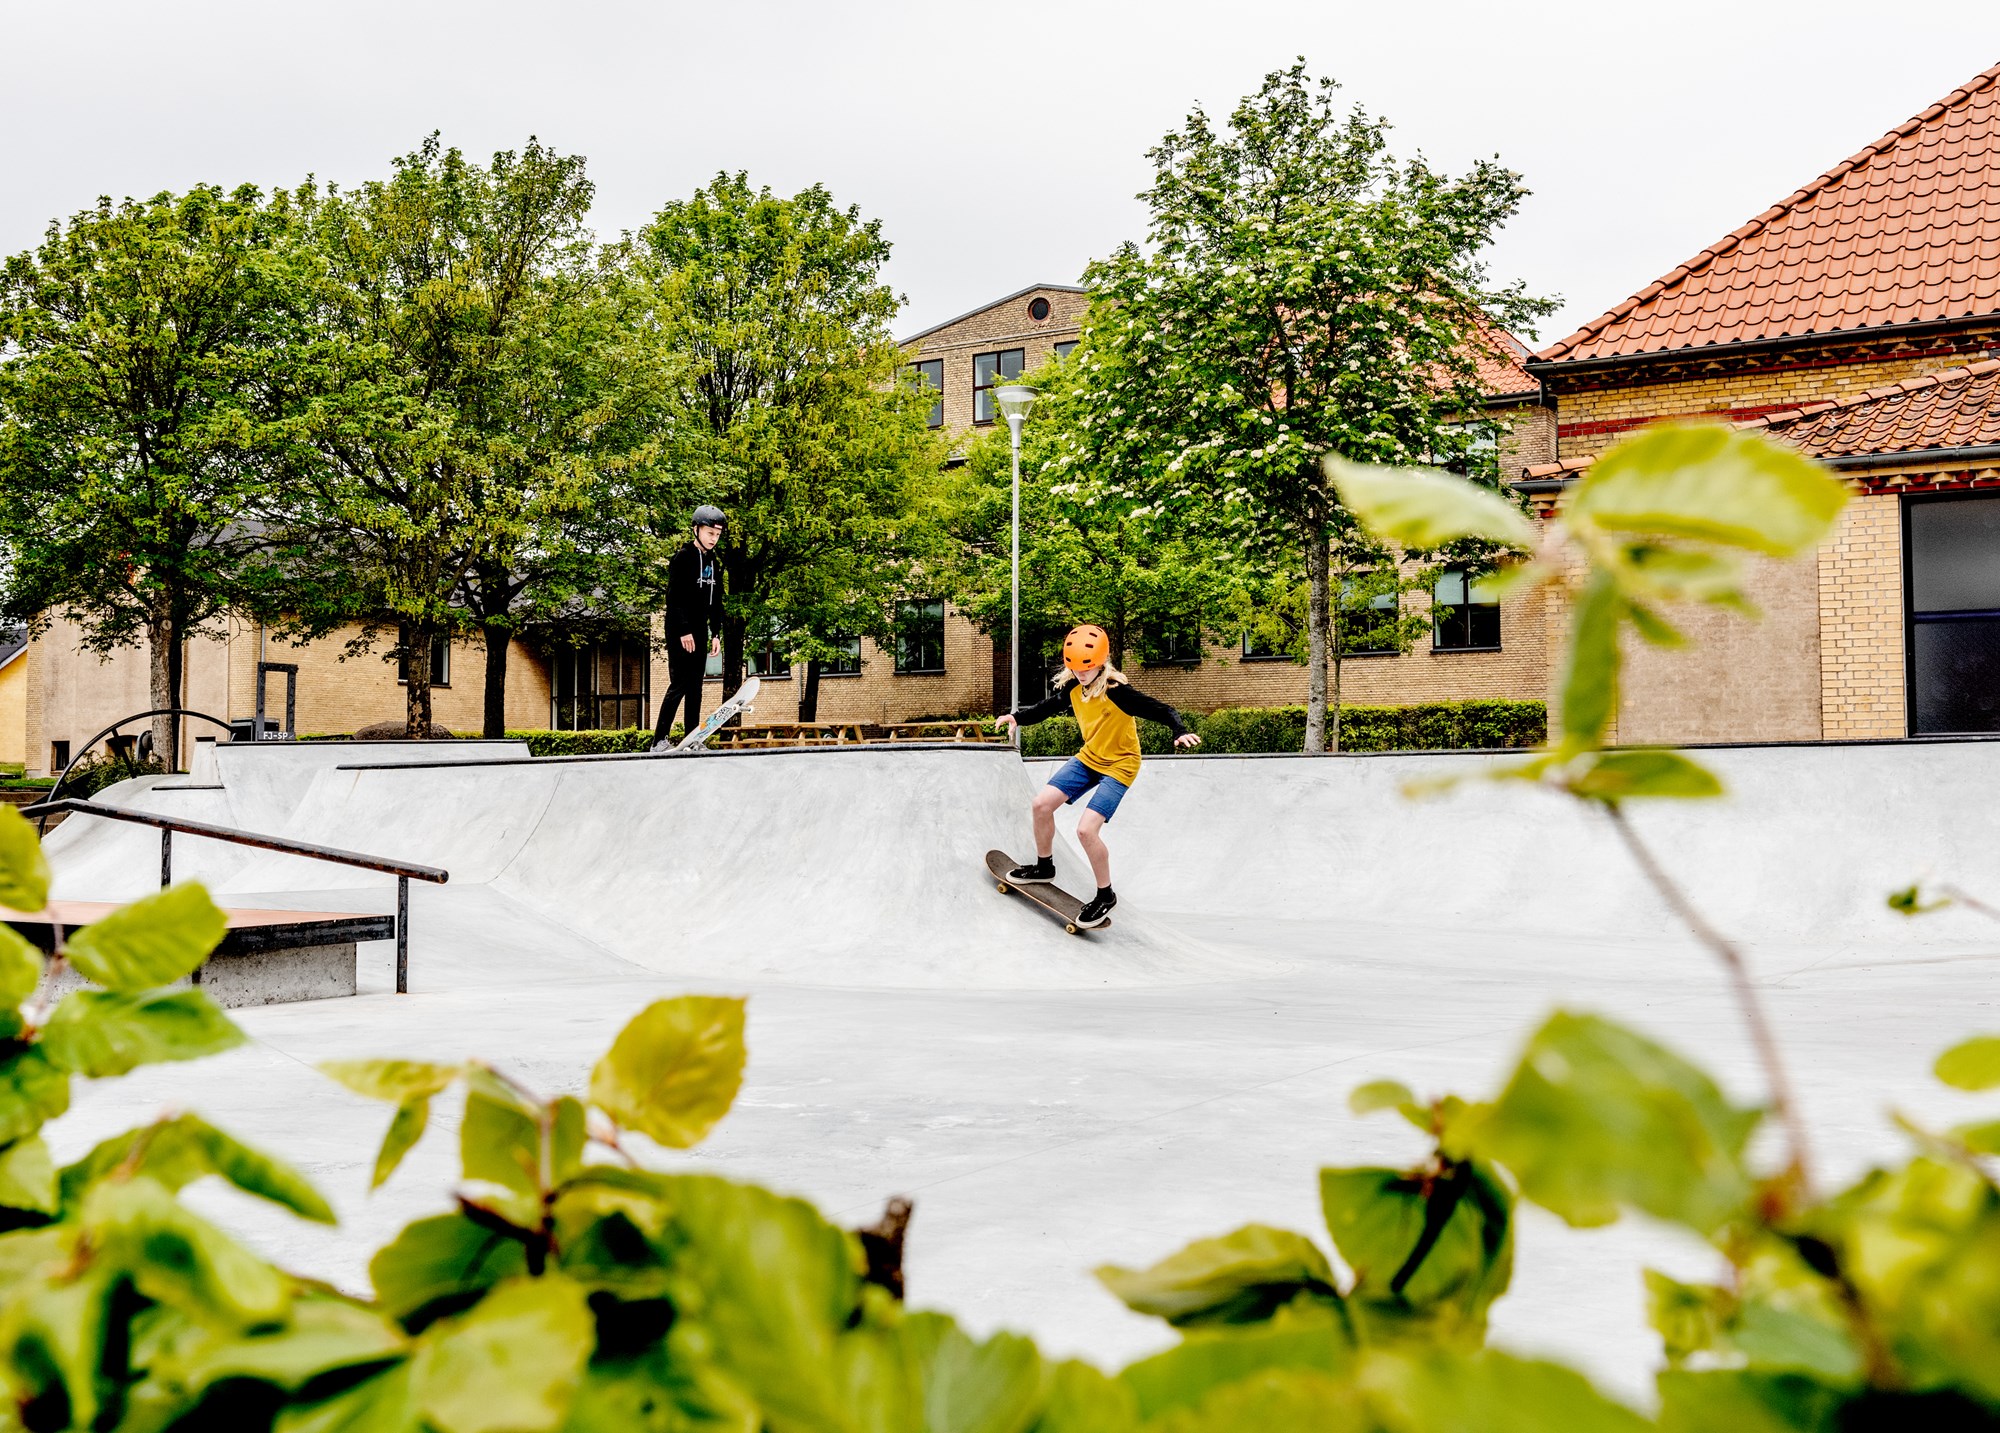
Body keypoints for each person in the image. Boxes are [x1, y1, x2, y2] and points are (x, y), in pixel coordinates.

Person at [995, 623, 1201, 927]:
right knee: (1041, 805)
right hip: (1090, 757)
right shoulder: (1073, 689)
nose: (1081, 674)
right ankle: (1044, 867)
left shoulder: (1118, 693)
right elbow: (1046, 708)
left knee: (1086, 831)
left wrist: (1180, 730)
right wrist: (1016, 716)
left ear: (1101, 663)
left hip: (1121, 764)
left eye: (1086, 668)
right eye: (1075, 668)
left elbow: (1162, 709)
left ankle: (1105, 895)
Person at [651, 505, 726, 750]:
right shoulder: (682, 558)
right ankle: (659, 740)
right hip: (679, 628)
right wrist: (684, 630)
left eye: (717, 535)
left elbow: (716, 601)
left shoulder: (715, 564)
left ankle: (692, 740)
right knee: (680, 683)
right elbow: (674, 599)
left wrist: (715, 633)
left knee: (696, 687)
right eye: (709, 533)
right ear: (696, 530)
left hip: (700, 629)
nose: (713, 539)